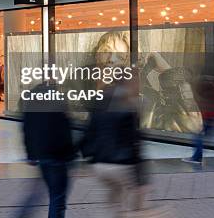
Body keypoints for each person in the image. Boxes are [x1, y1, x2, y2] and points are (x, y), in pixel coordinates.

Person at [80, 81, 145, 218]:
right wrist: (141, 177)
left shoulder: (98, 109)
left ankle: (117, 211)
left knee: (115, 196)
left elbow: (87, 134)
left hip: (100, 165)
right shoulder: (128, 108)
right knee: (134, 195)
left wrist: (87, 157)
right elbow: (134, 141)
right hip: (121, 164)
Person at [21, 83, 75, 218]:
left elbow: (27, 131)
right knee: (57, 198)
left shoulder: (31, 106)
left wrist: (31, 154)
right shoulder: (58, 104)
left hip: (42, 156)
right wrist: (70, 154)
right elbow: (65, 131)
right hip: (58, 157)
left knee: (48, 194)